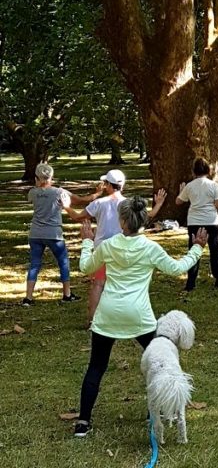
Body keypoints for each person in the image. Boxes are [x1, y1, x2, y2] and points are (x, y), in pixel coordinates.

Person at [73, 195, 207, 437]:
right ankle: (158, 409)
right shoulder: (150, 248)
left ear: (123, 221)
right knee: (161, 361)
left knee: (96, 367)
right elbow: (177, 268)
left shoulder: (109, 245)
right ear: (143, 221)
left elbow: (86, 267)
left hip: (109, 315)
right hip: (140, 317)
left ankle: (83, 422)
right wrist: (197, 248)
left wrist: (86, 242)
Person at [64, 170, 166, 326]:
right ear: (122, 185)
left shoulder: (99, 203)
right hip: (123, 248)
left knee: (98, 284)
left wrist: (66, 207)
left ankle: (92, 319)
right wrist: (158, 203)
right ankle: (123, 317)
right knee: (122, 284)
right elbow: (149, 215)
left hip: (102, 249)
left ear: (107, 185)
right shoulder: (128, 204)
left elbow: (78, 217)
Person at [23, 163, 79, 305]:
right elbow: (80, 199)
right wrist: (96, 195)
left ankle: (28, 298)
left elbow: (32, 199)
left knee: (34, 264)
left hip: (35, 233)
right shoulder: (59, 192)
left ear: (36, 178)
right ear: (51, 177)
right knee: (63, 262)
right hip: (53, 234)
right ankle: (66, 294)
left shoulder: (32, 192)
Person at [175, 157, 218, 291]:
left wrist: (181, 191)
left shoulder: (190, 186)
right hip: (211, 221)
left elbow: (178, 201)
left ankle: (191, 282)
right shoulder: (213, 185)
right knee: (215, 251)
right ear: (208, 170)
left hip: (194, 221)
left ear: (194, 171)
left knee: (194, 250)